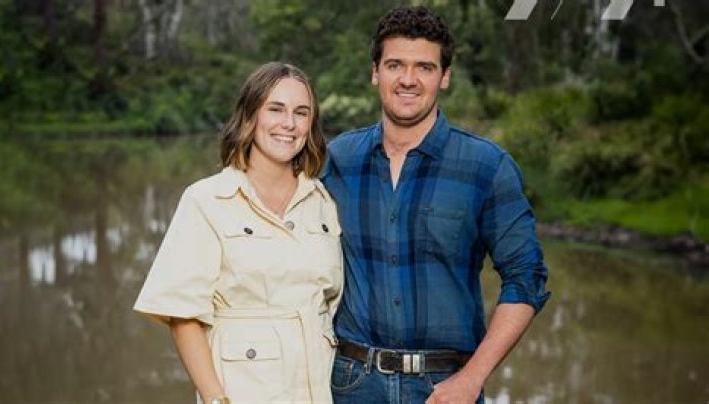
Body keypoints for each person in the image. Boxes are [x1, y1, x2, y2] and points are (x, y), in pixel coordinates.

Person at [321, 6, 550, 404]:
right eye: (395, 65)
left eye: (424, 67)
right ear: (375, 72)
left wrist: (473, 377)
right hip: (351, 384)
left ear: (444, 77)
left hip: (447, 387)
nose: (408, 80)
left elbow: (526, 277)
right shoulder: (338, 160)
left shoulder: (486, 166)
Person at [134, 62, 343, 404]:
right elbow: (184, 316)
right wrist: (216, 399)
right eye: (275, 109)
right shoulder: (207, 200)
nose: (289, 123)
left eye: (301, 113)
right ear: (250, 116)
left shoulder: (323, 202)